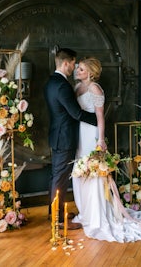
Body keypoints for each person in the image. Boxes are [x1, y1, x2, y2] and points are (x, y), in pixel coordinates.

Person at [72, 56, 141, 243]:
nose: (77, 71)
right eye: (77, 68)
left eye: (81, 69)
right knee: (80, 171)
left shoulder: (95, 88)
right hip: (79, 133)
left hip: (91, 133)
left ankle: (97, 215)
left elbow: (100, 117)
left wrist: (101, 139)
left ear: (90, 72)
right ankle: (85, 212)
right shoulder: (76, 87)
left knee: (94, 172)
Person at [44, 48, 97, 230]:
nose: (74, 68)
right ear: (66, 63)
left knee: (56, 177)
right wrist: (97, 120)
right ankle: (58, 220)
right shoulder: (62, 85)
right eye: (74, 64)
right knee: (60, 179)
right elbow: (75, 113)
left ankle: (55, 214)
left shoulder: (51, 82)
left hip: (57, 135)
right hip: (65, 138)